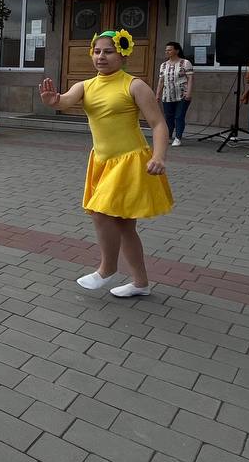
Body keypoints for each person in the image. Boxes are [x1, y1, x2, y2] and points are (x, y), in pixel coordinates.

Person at [39, 30, 173, 297]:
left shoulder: (134, 85)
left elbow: (158, 124)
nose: (101, 56)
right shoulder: (86, 86)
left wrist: (158, 156)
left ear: (122, 54)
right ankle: (141, 283)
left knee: (101, 213)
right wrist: (54, 101)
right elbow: (64, 100)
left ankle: (106, 269)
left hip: (130, 161)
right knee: (123, 225)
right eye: (97, 51)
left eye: (108, 51)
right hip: (101, 162)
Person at [155, 41, 194, 147]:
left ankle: (178, 138)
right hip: (167, 95)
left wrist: (189, 92)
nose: (167, 52)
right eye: (166, 50)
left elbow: (190, 78)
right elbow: (161, 81)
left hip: (182, 94)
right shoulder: (163, 65)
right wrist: (157, 94)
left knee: (179, 116)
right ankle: (168, 136)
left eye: (170, 50)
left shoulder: (185, 63)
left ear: (176, 51)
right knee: (168, 117)